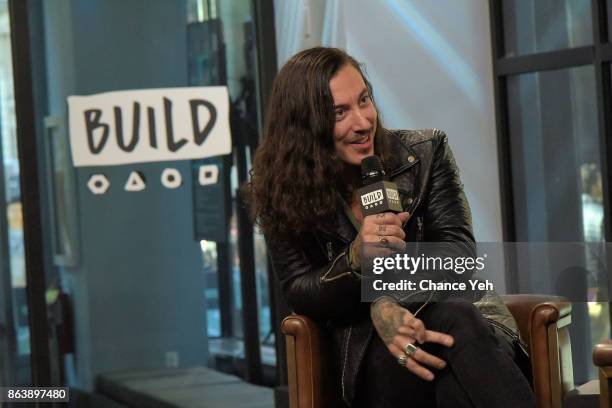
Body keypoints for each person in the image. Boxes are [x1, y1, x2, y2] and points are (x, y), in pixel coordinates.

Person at [247, 47, 535, 407]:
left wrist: (385, 300)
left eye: (364, 99)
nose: (363, 121)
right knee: (453, 347)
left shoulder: (426, 153)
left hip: (462, 320)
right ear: (306, 126)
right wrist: (355, 261)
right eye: (340, 112)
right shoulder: (281, 189)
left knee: (455, 326)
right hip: (367, 348)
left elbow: (457, 255)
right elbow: (300, 289)